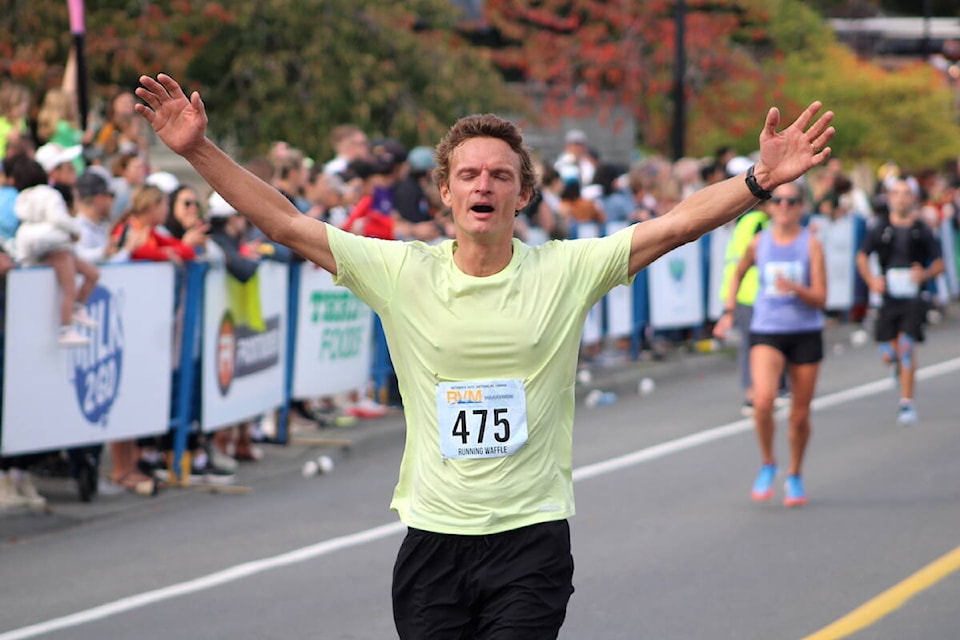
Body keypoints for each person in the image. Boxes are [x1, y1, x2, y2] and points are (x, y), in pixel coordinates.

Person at [136, 72, 833, 638]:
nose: (483, 185)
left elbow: (675, 224)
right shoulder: (401, 271)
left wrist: (757, 182)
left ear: (523, 194)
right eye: (467, 174)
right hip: (433, 542)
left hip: (530, 540)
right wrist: (198, 151)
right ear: (444, 191)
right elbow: (286, 221)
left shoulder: (565, 270)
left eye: (501, 175)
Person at [713, 182, 827, 507]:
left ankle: (794, 473)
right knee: (763, 401)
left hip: (805, 331)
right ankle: (767, 462)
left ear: (801, 207)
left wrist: (796, 289)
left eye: (792, 202)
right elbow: (736, 273)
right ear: (770, 206)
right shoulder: (760, 242)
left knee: (800, 416)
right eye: (779, 201)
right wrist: (729, 311)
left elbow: (822, 298)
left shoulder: (811, 245)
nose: (785, 207)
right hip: (767, 330)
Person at [855, 178, 943, 425]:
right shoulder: (879, 227)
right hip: (888, 297)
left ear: (913, 198)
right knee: (888, 353)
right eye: (896, 193)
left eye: (906, 193)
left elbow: (939, 263)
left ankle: (906, 403)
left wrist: (924, 274)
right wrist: (872, 281)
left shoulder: (922, 229)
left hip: (914, 298)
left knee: (906, 345)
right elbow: (861, 257)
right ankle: (895, 367)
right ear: (889, 198)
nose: (901, 198)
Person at [11, 158, 99, 346]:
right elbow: (58, 218)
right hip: (55, 247)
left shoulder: (23, 197)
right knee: (69, 288)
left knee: (92, 273)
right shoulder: (48, 194)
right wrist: (75, 230)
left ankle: (77, 308)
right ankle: (65, 328)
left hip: (37, 244)